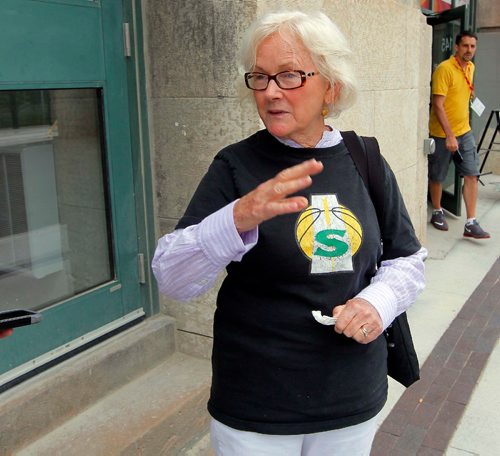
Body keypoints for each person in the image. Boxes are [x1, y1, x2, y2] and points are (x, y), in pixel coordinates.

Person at [152, 10, 427, 455]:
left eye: (290, 76)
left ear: (331, 87)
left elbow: (407, 259)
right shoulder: (235, 166)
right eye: (260, 77)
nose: (271, 92)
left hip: (351, 398)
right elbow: (172, 278)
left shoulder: (365, 159)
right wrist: (237, 218)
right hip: (258, 406)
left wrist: (376, 304)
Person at [428, 31, 490, 239]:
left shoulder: (470, 68)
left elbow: (466, 94)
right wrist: (449, 135)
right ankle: (437, 210)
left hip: (465, 132)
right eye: (465, 46)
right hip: (442, 133)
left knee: (472, 174)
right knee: (438, 175)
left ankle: (471, 222)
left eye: (472, 46)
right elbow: (438, 105)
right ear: (456, 47)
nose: (469, 50)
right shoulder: (445, 69)